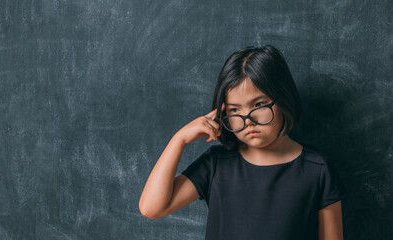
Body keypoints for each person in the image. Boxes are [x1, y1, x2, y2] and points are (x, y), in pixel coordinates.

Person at [139, 45, 348, 240]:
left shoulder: (317, 169)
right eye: (235, 110)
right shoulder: (216, 164)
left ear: (283, 99)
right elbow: (151, 208)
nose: (248, 120)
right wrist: (179, 139)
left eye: (259, 104)